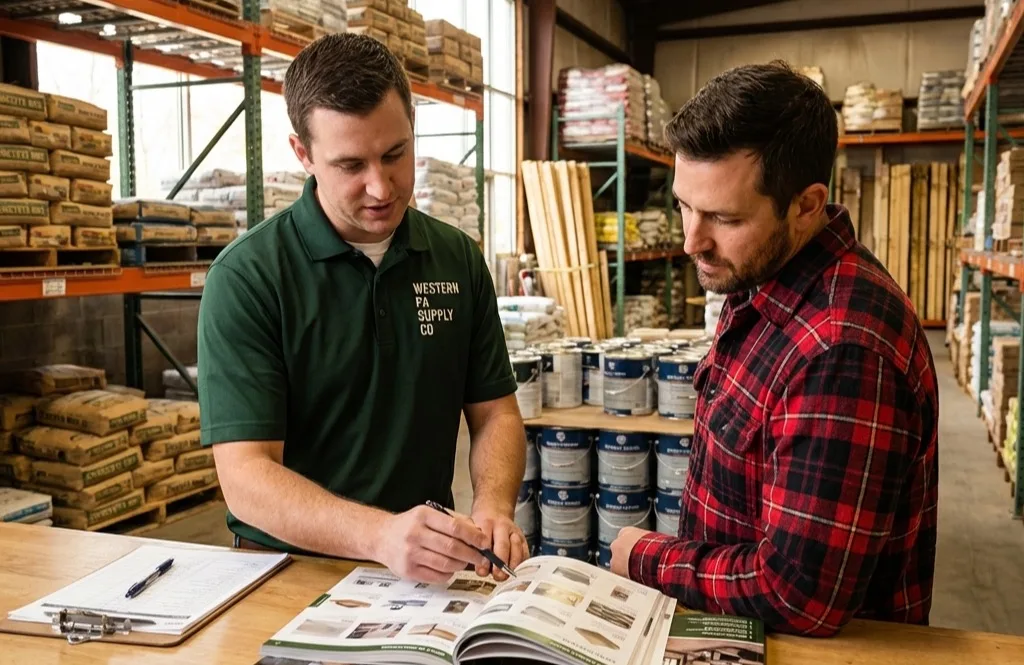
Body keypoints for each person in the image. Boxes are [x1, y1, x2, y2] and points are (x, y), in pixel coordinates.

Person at [609, 61, 939, 637]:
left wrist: (649, 558)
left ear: (806, 204)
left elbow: (800, 594)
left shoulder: (843, 350)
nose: (692, 241)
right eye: (685, 205)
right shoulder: (760, 276)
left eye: (724, 217)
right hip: (735, 627)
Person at [197, 33, 529, 584]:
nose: (380, 187)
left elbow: (496, 413)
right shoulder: (249, 278)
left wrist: (493, 504)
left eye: (395, 154)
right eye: (351, 165)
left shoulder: (456, 259)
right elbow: (247, 476)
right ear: (303, 154)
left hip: (427, 573)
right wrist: (379, 536)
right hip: (287, 573)